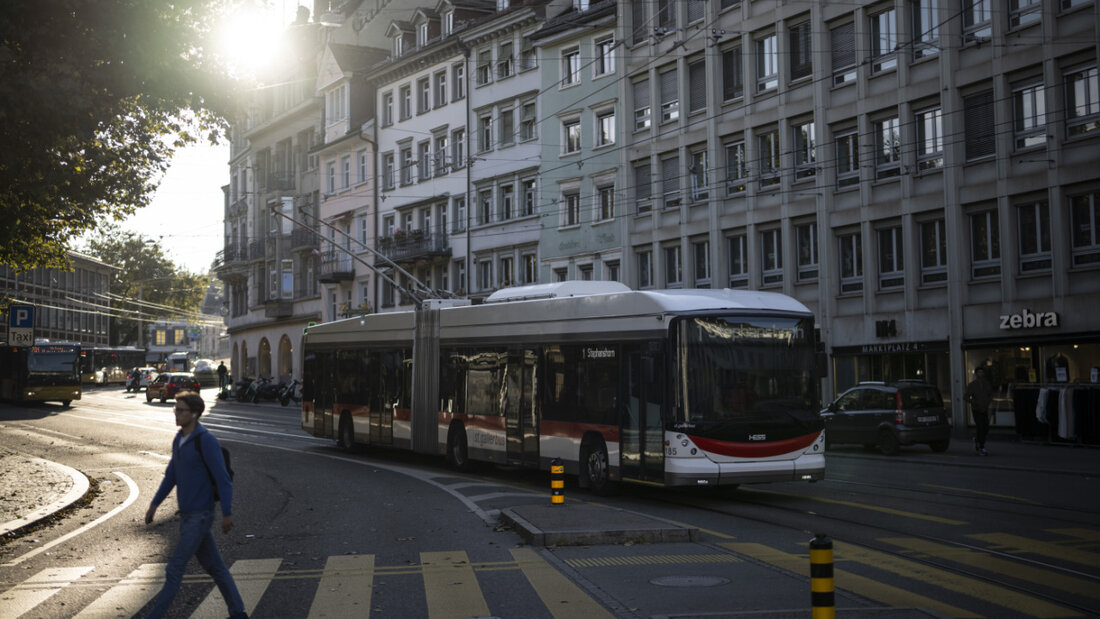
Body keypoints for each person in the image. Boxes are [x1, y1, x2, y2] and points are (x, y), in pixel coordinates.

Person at [144, 392, 247, 619]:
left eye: (180, 410)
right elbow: (171, 475)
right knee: (216, 568)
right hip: (187, 516)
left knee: (175, 568)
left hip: (201, 516)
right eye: (175, 409)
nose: (176, 414)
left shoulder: (205, 440)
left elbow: (223, 479)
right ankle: (238, 612)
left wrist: (227, 513)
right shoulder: (179, 439)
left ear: (194, 413)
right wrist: (154, 504)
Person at [964, 366, 994, 456]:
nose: (981, 374)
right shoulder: (972, 385)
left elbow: (990, 394)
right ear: (976, 374)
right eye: (979, 372)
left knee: (985, 427)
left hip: (984, 408)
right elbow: (965, 397)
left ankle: (978, 440)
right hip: (976, 409)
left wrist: (988, 402)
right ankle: (981, 446)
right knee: (980, 426)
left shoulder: (986, 384)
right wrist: (975, 402)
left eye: (982, 372)